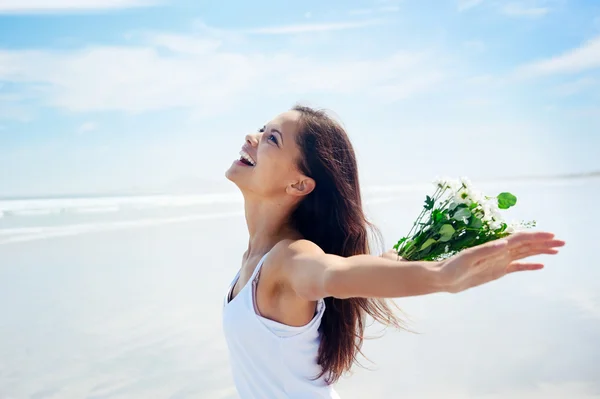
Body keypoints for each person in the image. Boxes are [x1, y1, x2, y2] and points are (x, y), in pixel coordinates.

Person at [221, 105, 564, 399]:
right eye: (263, 129)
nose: (253, 136)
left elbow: (335, 275)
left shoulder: (289, 259)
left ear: (299, 184)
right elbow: (372, 267)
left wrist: (443, 277)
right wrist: (414, 253)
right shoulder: (255, 257)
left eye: (271, 138)